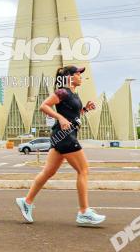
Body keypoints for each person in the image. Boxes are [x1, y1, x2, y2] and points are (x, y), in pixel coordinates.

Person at [15, 65, 106, 226]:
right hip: (65, 137)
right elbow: (44, 106)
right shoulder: (62, 91)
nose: (81, 76)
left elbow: (72, 116)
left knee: (47, 172)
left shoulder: (73, 95)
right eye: (78, 74)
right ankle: (84, 212)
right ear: (69, 77)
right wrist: (60, 118)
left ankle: (26, 201)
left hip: (61, 136)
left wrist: (85, 109)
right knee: (83, 170)